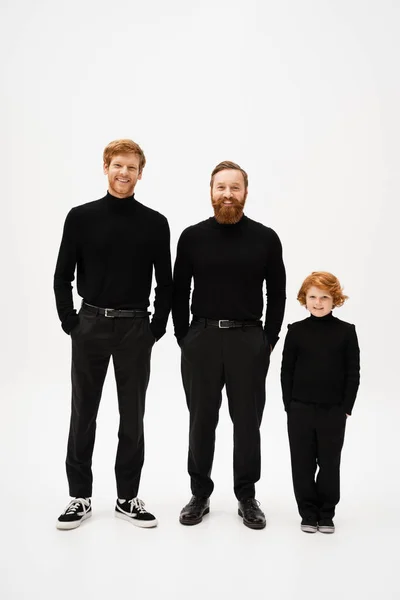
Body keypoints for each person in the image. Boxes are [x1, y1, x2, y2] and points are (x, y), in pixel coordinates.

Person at [54, 139, 172, 530]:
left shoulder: (155, 223)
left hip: (136, 328)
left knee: (132, 416)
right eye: (118, 165)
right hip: (89, 325)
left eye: (132, 167)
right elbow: (61, 276)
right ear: (106, 167)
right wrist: (71, 322)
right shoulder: (80, 217)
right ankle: (79, 496)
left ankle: (127, 497)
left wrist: (154, 329)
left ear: (141, 174)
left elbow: (166, 283)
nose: (124, 173)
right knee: (83, 411)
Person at [172, 161, 286, 529]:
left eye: (234, 188)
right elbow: (178, 290)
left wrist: (268, 339)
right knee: (201, 419)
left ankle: (247, 496)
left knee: (248, 422)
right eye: (220, 187)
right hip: (201, 339)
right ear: (210, 191)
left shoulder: (266, 238)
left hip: (248, 339)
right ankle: (199, 493)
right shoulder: (191, 237)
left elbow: (278, 292)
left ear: (246, 193)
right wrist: (183, 337)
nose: (227, 194)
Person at [281, 271, 360, 534]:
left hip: (333, 410)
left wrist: (346, 407)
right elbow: (286, 371)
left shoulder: (346, 332)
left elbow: (353, 372)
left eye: (324, 297)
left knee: (329, 463)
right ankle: (308, 513)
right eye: (312, 296)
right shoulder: (296, 331)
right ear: (304, 299)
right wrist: (289, 405)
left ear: (335, 299)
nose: (318, 302)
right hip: (300, 408)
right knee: (302, 463)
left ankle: (326, 513)